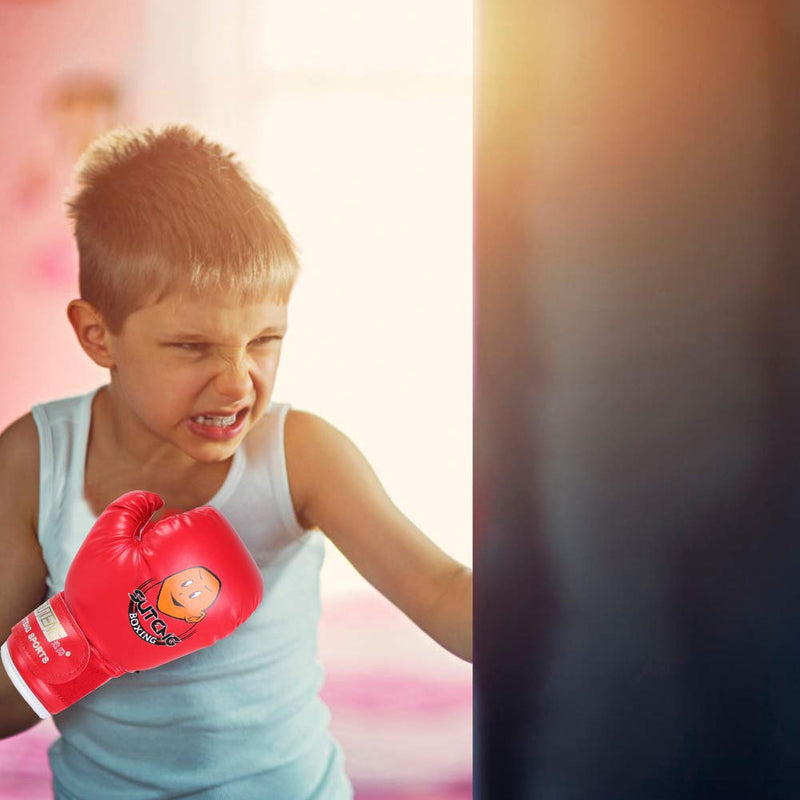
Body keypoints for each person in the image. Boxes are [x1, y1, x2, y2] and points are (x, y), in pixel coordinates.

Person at [0, 125, 473, 799]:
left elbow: (441, 591)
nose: (236, 381)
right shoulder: (35, 462)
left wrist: (593, 601)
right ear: (97, 334)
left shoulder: (299, 456)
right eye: (193, 347)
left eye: (264, 340)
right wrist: (86, 638)